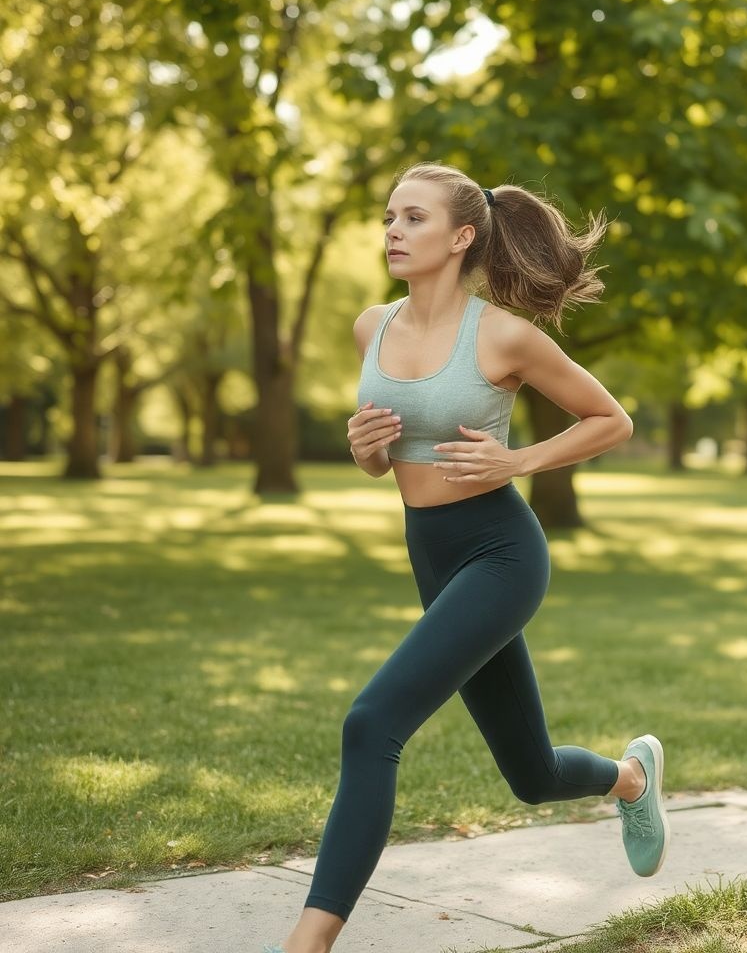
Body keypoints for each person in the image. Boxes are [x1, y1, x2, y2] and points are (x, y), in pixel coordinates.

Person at [267, 162, 669, 953]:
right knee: (530, 774)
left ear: (460, 237)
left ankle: (307, 943)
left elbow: (610, 421)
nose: (392, 230)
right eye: (389, 217)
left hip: (500, 555)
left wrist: (516, 463)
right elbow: (390, 462)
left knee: (371, 722)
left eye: (412, 218)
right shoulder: (370, 327)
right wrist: (366, 454)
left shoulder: (502, 334)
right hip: (432, 555)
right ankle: (632, 779)